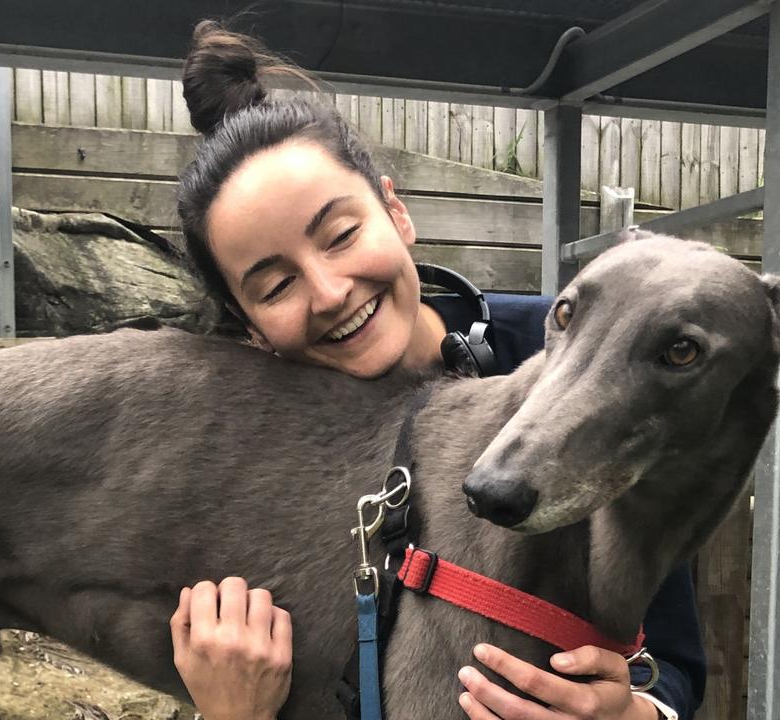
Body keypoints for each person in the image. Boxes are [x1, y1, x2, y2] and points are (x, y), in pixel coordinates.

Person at [167, 20, 706, 720]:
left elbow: (677, 666)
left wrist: (634, 711)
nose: (330, 292)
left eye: (341, 235)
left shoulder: (571, 352)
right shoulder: (239, 459)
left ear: (396, 211)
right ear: (248, 326)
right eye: (274, 287)